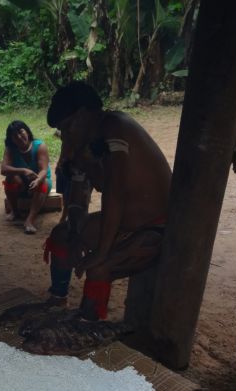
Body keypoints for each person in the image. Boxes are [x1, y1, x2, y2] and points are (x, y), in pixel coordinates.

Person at [43, 81, 172, 320]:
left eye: (67, 127)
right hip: (124, 225)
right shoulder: (84, 142)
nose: (66, 135)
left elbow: (115, 193)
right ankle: (57, 299)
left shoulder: (115, 126)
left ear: (82, 115)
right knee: (61, 236)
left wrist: (102, 251)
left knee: (98, 268)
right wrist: (74, 233)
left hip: (159, 228)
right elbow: (79, 198)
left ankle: (86, 326)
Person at [1, 120, 52, 235]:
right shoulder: (10, 148)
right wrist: (23, 171)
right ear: (11, 139)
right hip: (22, 183)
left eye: (21, 132)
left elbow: (43, 170)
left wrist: (38, 180)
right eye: (14, 135)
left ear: (27, 131)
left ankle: (30, 220)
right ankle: (15, 212)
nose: (19, 136)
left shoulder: (39, 146)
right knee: (10, 178)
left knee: (42, 183)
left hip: (40, 181)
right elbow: (3, 169)